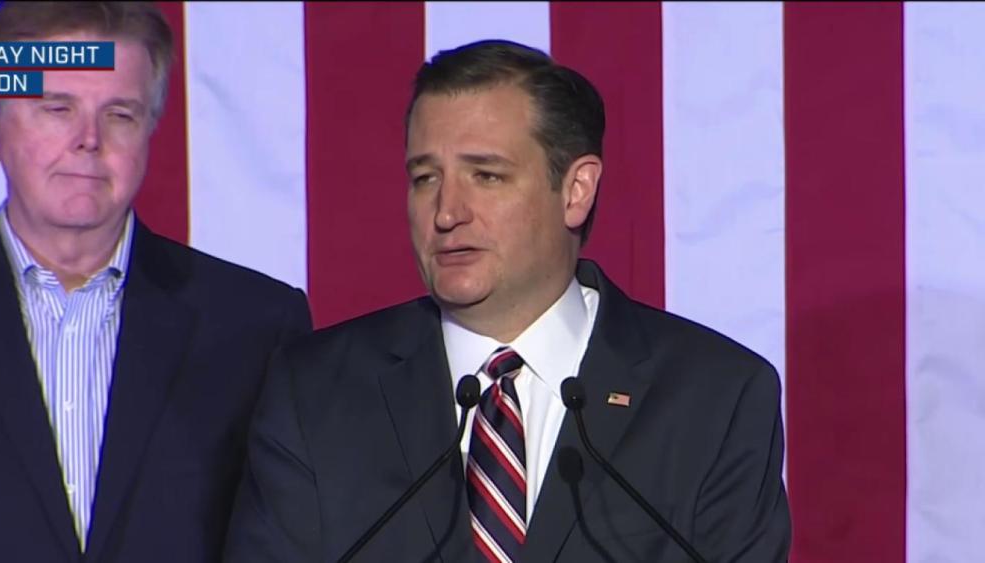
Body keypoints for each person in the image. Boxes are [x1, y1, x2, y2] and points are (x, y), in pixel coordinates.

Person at [225, 39, 790, 562]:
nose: (447, 213)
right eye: (425, 178)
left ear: (576, 191)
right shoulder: (313, 393)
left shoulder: (716, 398)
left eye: (486, 176)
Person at [0, 3, 312, 562]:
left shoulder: (256, 328)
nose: (89, 139)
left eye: (120, 114)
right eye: (58, 108)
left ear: (150, 129)